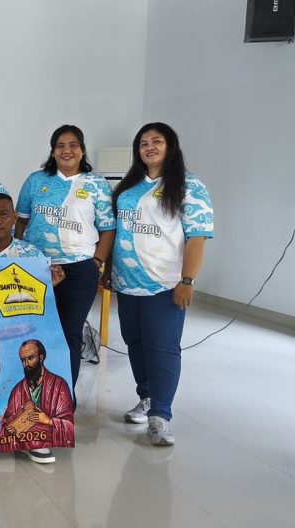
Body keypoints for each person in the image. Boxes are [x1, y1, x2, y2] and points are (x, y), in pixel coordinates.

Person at [104, 122, 213, 447]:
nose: (149, 147)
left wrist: (187, 280)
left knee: (162, 348)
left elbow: (197, 238)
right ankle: (147, 398)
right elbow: (117, 232)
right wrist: (109, 269)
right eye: (143, 143)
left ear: (171, 147)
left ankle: (161, 416)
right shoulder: (128, 188)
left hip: (164, 285)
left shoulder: (190, 187)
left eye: (157, 141)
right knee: (135, 343)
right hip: (127, 284)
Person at [16, 125, 116, 391]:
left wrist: (97, 262)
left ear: (82, 150)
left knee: (69, 333)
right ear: (53, 152)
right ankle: (33, 395)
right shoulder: (36, 181)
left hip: (80, 269)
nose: (66, 150)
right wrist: (22, 259)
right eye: (60, 145)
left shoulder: (96, 185)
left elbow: (108, 229)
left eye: (73, 145)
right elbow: (21, 222)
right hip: (36, 268)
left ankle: (64, 398)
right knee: (34, 334)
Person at [0, 339, 75, 464]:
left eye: (31, 358)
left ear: (41, 357)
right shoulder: (18, 390)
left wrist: (49, 420)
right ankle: (28, 445)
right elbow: (6, 423)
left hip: (47, 435)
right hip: (23, 438)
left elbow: (69, 424)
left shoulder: (59, 385)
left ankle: (37, 445)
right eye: (23, 360)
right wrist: (11, 426)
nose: (26, 364)